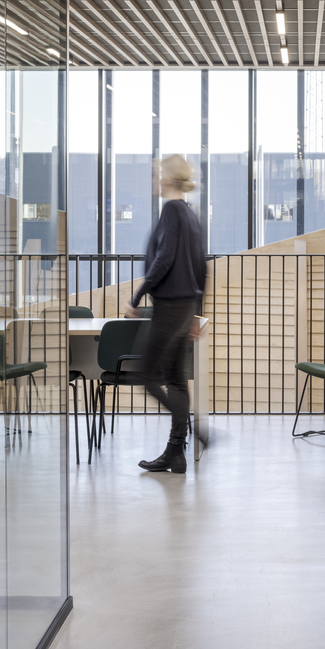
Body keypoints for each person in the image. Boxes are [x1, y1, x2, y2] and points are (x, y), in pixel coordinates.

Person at [127, 155, 207, 474]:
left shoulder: (172, 209)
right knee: (175, 380)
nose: (154, 180)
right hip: (184, 307)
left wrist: (137, 296)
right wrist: (197, 314)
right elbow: (202, 268)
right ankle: (175, 452)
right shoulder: (190, 214)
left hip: (170, 306)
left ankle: (198, 433)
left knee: (145, 376)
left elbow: (164, 258)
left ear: (168, 179)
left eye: (157, 175)